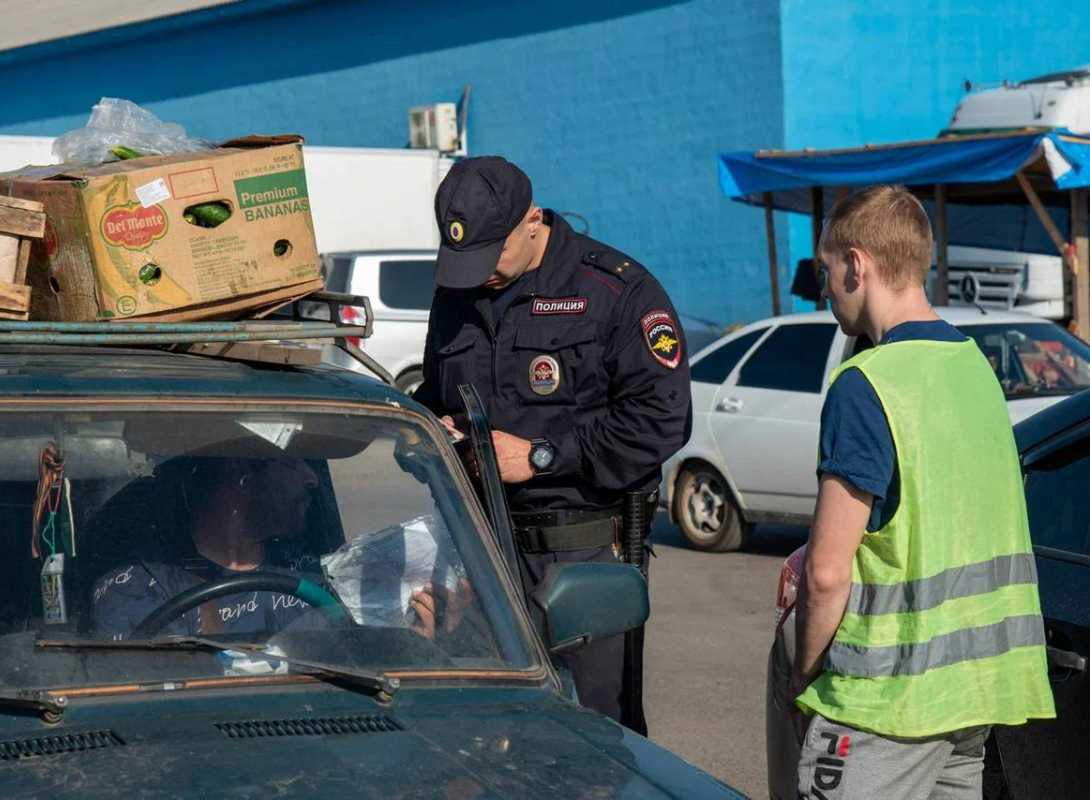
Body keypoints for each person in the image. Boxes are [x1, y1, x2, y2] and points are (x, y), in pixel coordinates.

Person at [790, 185, 1055, 799]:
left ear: (857, 264)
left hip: (883, 701)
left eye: (826, 269)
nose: (825, 286)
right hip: (974, 696)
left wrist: (802, 677)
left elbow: (826, 575)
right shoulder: (976, 368)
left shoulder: (865, 384)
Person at [413, 156, 691, 731]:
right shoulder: (456, 295)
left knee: (593, 738)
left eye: (492, 254)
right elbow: (435, 393)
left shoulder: (617, 291)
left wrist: (540, 458)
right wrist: (427, 430)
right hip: (482, 555)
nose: (480, 273)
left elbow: (660, 420)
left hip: (582, 559)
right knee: (488, 733)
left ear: (532, 221)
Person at [92, 455, 456, 641]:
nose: (312, 479)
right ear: (241, 474)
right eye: (294, 462)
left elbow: (364, 672)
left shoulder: (315, 571)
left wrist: (422, 641)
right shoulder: (139, 587)